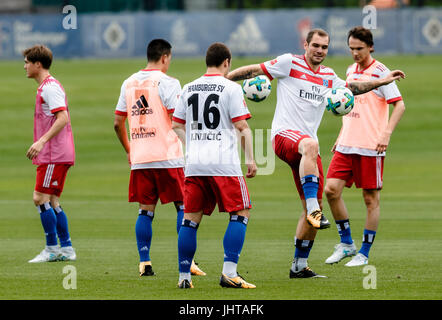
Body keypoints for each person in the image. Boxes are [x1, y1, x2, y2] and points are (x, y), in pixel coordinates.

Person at [226, 28, 405, 278]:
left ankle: (299, 265)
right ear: (306, 45)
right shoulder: (289, 63)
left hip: (307, 151)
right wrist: (224, 80)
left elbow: (352, 88)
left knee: (316, 202)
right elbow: (254, 70)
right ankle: (313, 210)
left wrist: (382, 82)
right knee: (311, 148)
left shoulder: (329, 76)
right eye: (316, 46)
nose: (320, 50)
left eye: (324, 47)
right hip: (285, 137)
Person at [114, 39, 205, 277]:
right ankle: (188, 263)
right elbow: (178, 122)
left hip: (141, 157)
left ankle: (144, 262)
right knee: (184, 209)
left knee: (145, 211)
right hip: (169, 157)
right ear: (165, 57)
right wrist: (193, 147)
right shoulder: (168, 82)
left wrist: (129, 150)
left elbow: (117, 122)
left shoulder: (128, 83)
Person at [172, 42, 257, 289]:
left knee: (190, 219)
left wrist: (193, 144)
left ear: (206, 61)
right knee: (241, 213)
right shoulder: (231, 88)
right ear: (227, 62)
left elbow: (176, 124)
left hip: (195, 164)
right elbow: (242, 127)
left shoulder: (189, 88)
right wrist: (250, 159)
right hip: (224, 165)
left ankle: (184, 277)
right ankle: (229, 273)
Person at [324, 26, 406, 267]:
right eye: (351, 49)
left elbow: (399, 105)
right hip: (346, 144)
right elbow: (349, 106)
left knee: (370, 200)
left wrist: (386, 134)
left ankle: (364, 253)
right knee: (330, 191)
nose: (355, 54)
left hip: (371, 146)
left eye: (359, 49)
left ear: (370, 47)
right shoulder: (350, 71)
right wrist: (340, 134)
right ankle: (347, 244)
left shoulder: (381, 72)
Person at [24, 44, 76, 263]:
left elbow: (62, 117)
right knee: (53, 200)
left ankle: (52, 248)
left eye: (27, 62)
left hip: (54, 154)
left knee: (40, 198)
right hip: (57, 153)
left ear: (38, 64)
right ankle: (66, 248)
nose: (24, 66)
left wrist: (41, 141)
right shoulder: (46, 87)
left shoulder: (49, 88)